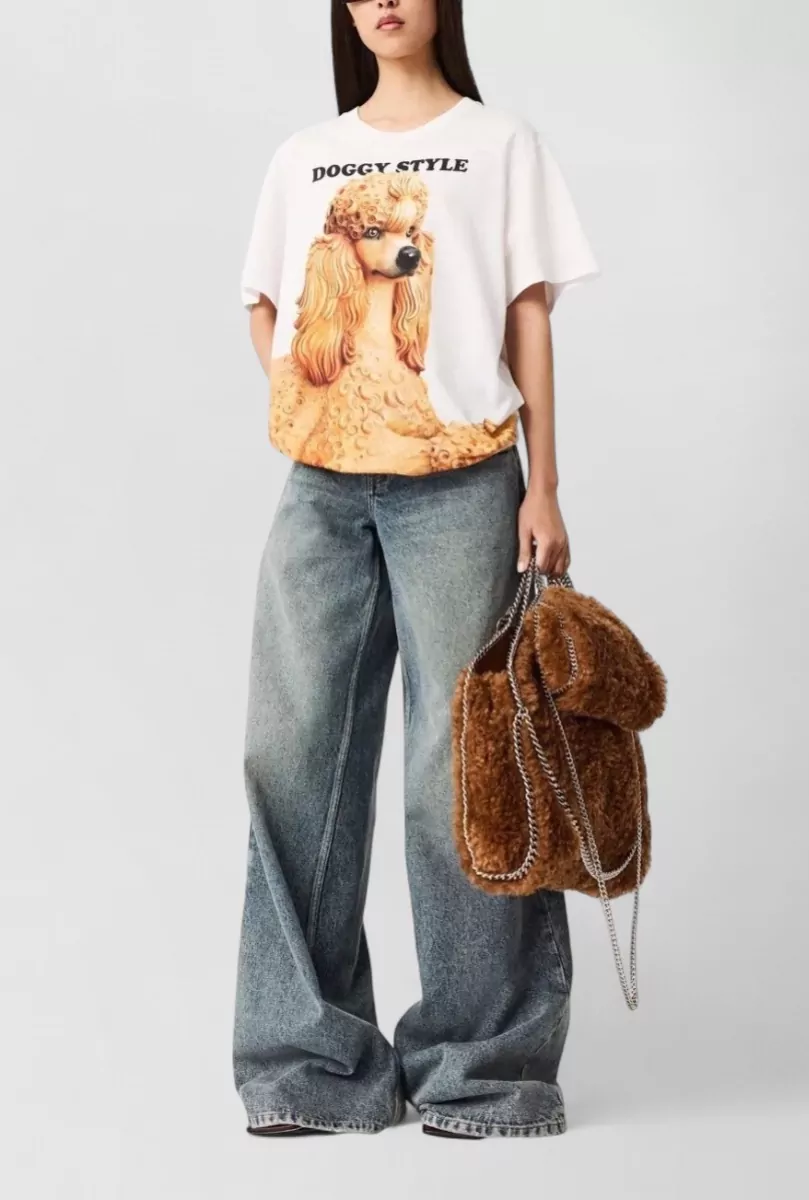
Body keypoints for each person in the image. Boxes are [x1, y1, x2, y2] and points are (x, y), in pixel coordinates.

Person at [233, 0, 600, 1140]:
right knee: (294, 757)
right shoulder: (306, 155)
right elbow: (267, 303)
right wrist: (316, 403)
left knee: (468, 768)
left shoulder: (501, 143)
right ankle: (306, 1061)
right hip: (323, 488)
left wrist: (543, 485)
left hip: (466, 483)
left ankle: (484, 1067)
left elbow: (528, 315)